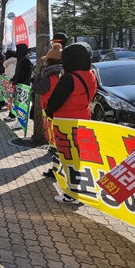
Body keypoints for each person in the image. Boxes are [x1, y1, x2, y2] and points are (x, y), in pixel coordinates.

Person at [45, 42, 98, 204]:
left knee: (69, 158)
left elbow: (55, 101)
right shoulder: (91, 74)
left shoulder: (69, 78)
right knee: (79, 157)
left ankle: (72, 194)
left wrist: (49, 112)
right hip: (84, 119)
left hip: (66, 123)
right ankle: (81, 191)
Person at [32, 43, 64, 179]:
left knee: (55, 144)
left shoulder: (48, 76)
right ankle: (58, 169)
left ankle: (57, 170)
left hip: (51, 112)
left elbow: (37, 88)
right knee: (62, 144)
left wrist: (38, 75)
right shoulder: (65, 73)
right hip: (64, 112)